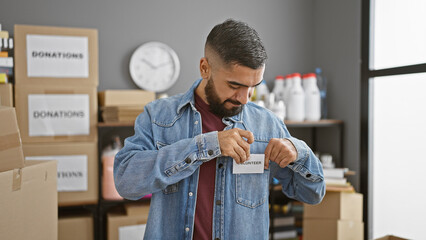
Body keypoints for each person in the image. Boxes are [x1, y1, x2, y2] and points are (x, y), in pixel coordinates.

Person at [114, 19, 325, 240]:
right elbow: (126, 182)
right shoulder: (158, 116)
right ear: (205, 68)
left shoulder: (267, 124)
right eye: (234, 86)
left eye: (253, 87)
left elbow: (312, 194)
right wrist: (206, 145)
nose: (244, 98)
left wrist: (298, 152)